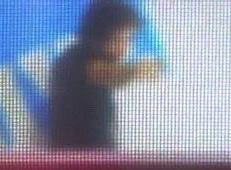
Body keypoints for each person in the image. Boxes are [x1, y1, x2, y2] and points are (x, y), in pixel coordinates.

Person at [46, 0, 159, 151]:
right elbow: (105, 73)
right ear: (99, 35)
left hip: (96, 151)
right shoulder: (76, 58)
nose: (125, 47)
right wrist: (138, 69)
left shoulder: (94, 57)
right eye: (119, 39)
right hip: (76, 154)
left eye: (128, 39)